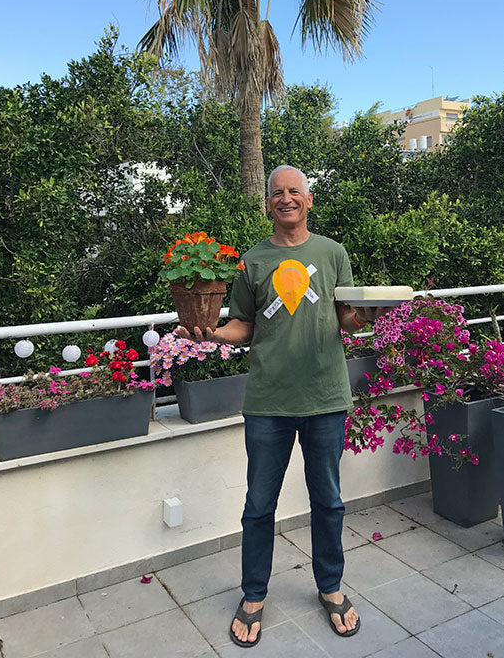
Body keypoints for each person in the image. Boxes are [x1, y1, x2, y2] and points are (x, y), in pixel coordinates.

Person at [175, 165, 388, 647]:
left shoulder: (333, 253)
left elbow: (347, 318)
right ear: (268, 203)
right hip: (268, 400)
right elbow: (243, 326)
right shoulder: (252, 261)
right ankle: (254, 595)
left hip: (325, 397)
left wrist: (368, 314)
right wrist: (210, 336)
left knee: (329, 501)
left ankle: (330, 588)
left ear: (309, 200)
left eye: (295, 191)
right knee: (258, 505)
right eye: (278, 193)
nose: (286, 198)